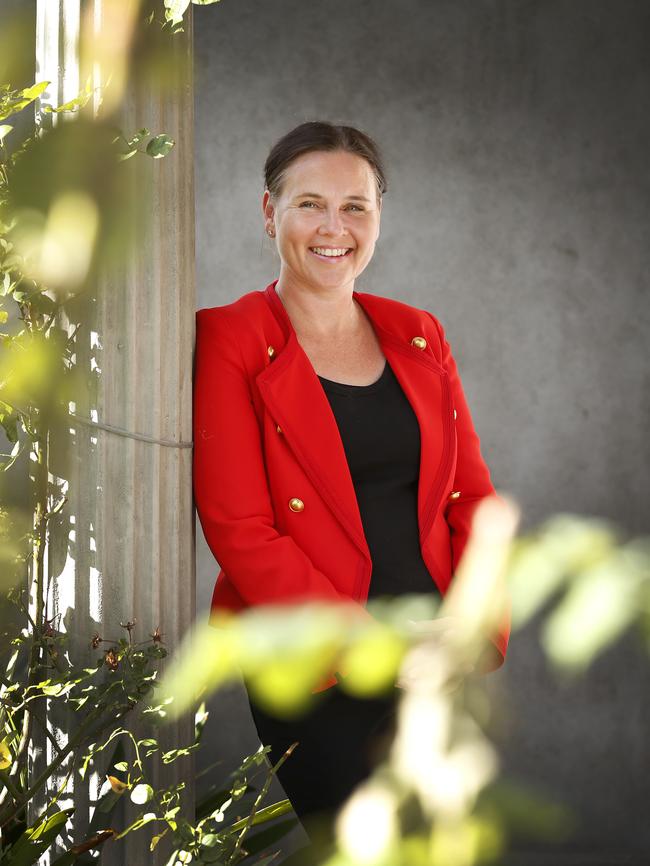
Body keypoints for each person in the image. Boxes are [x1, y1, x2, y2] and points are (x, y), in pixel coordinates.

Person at [192, 121, 511, 859]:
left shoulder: (418, 332)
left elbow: (474, 501)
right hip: (313, 659)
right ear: (270, 214)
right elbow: (241, 527)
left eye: (355, 206)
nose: (333, 228)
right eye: (309, 204)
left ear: (378, 217)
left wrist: (471, 633)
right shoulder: (232, 337)